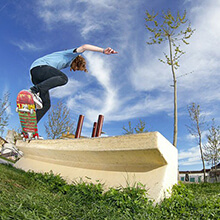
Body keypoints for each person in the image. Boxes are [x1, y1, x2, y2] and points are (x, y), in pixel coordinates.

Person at [29, 44, 118, 123]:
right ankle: (33, 91)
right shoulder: (71, 55)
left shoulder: (65, 62)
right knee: (63, 78)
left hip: (37, 77)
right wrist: (103, 50)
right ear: (77, 62)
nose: (75, 70)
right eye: (77, 67)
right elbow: (85, 47)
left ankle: (29, 127)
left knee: (46, 105)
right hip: (40, 68)